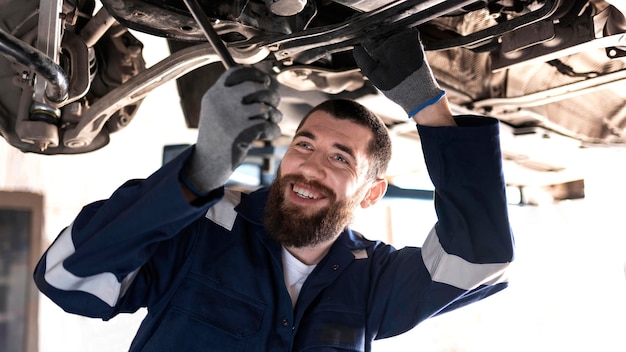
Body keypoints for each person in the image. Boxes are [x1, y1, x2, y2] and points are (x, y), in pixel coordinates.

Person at [33, 29, 514, 351]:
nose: (309, 166)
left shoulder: (374, 283)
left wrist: (426, 103)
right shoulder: (205, 228)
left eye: (340, 158)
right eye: (304, 144)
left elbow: (478, 260)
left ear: (371, 194)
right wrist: (200, 172)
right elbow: (65, 278)